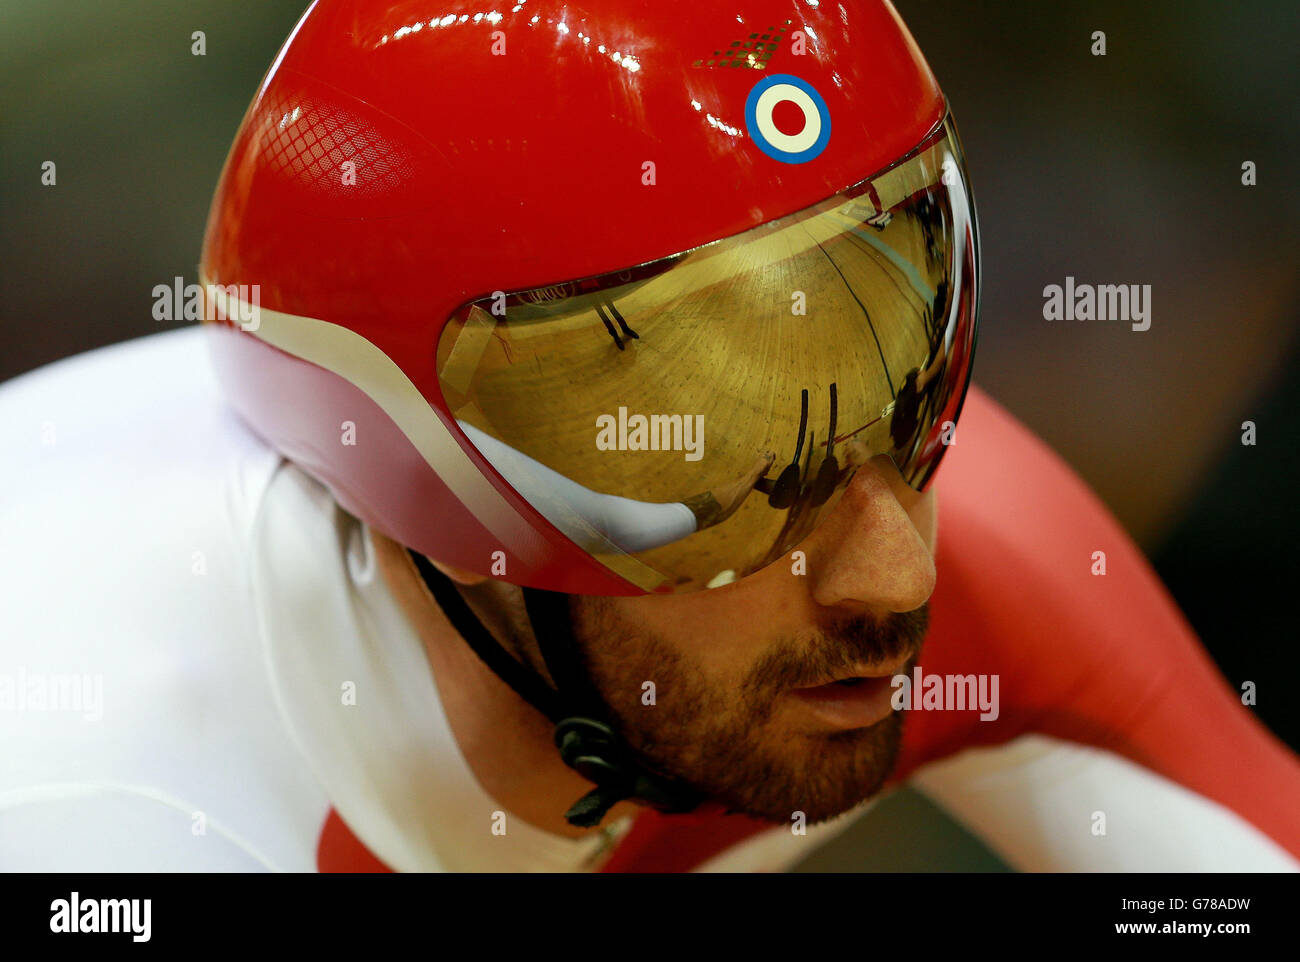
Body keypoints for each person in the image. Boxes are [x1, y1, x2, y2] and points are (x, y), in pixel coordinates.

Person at [2, 0, 1296, 872]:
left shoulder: (954, 555)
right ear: (436, 490)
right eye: (722, 467)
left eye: (893, 381)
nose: (896, 573)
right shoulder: (105, 818)